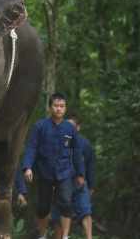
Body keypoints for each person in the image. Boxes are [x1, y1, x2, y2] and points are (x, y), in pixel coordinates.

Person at [21, 93, 85, 239]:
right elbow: (31, 147)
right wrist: (27, 167)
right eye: (56, 106)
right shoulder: (40, 126)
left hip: (65, 172)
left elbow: (76, 152)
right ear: (50, 108)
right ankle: (42, 235)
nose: (59, 109)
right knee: (43, 207)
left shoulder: (70, 129)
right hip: (45, 172)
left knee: (66, 203)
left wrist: (81, 174)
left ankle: (65, 236)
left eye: (62, 106)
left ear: (65, 108)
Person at [51, 114, 95, 239]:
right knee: (58, 215)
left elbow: (90, 165)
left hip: (79, 183)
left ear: (78, 127)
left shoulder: (85, 144)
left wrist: (91, 186)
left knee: (86, 211)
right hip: (60, 182)